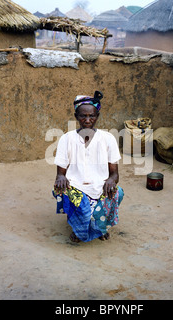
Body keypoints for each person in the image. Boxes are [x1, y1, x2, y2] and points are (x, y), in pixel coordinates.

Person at [53, 91, 124, 243]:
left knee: (118, 193)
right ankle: (78, 228)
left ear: (97, 116)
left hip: (100, 186)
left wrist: (112, 180)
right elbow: (61, 173)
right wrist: (60, 178)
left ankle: (100, 228)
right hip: (76, 186)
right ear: (76, 116)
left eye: (91, 116)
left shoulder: (108, 138)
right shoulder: (67, 139)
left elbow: (114, 174)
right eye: (83, 116)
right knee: (81, 208)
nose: (87, 120)